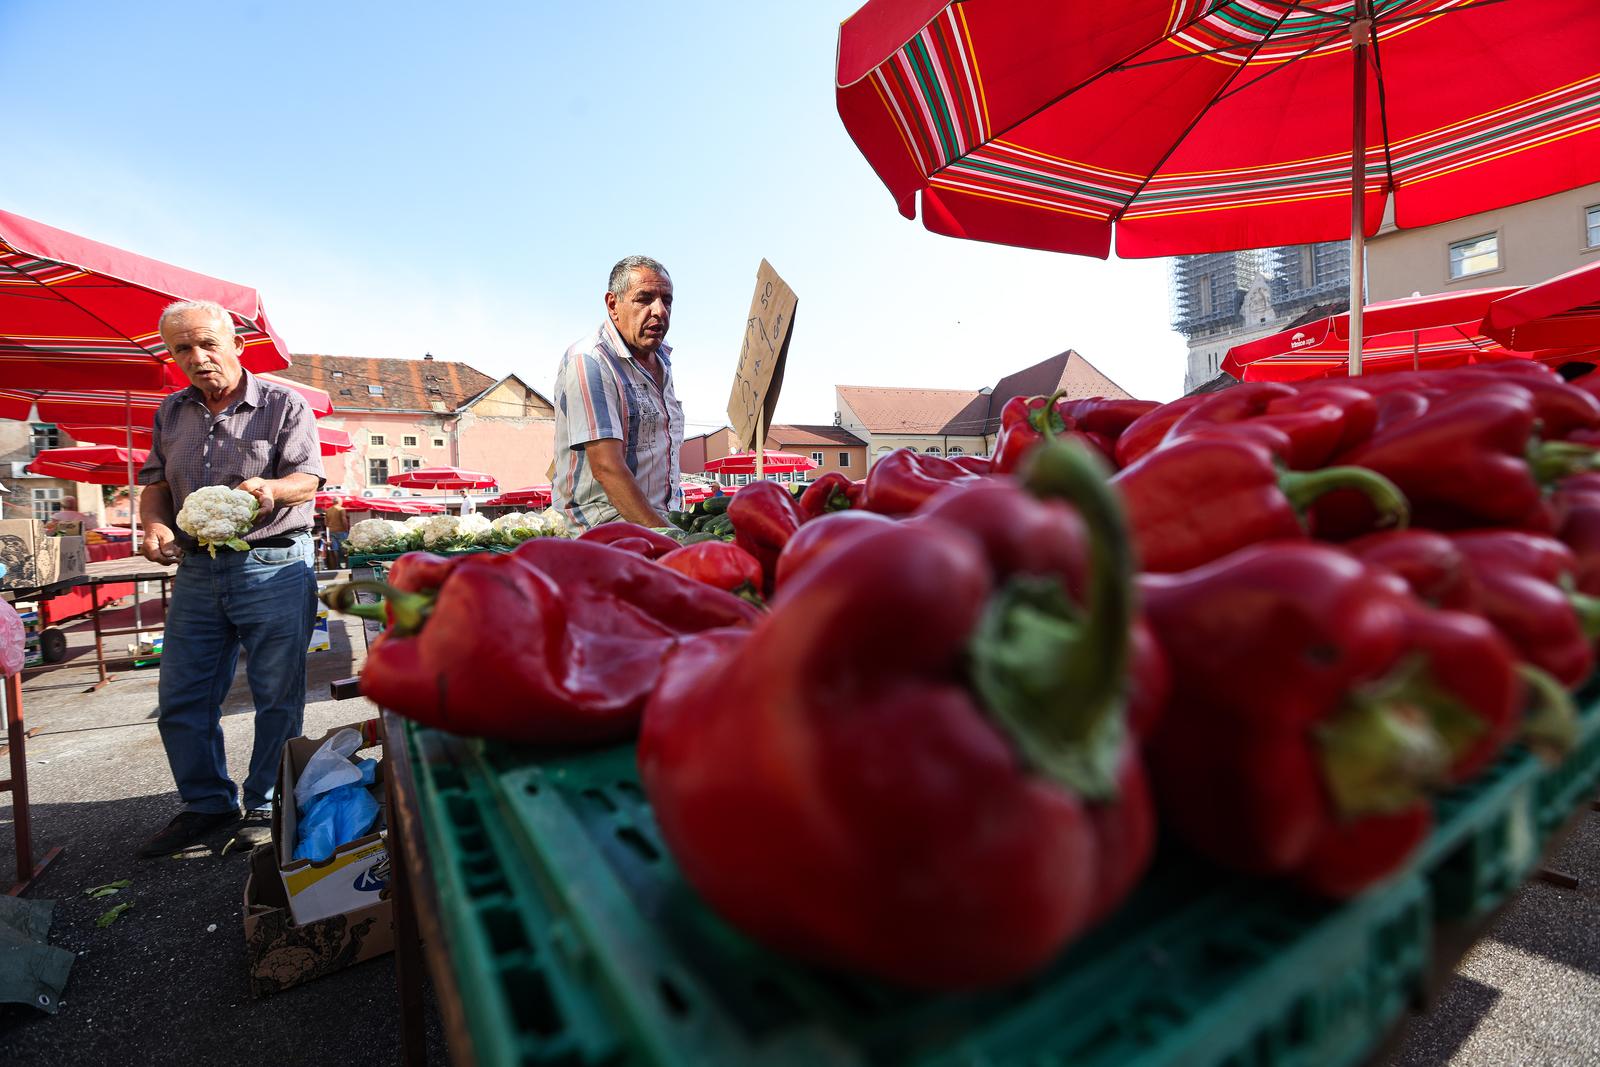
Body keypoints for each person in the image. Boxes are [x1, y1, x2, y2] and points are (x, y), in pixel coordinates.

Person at [135, 299, 325, 858]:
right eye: (182, 349)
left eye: (207, 344)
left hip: (273, 563)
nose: (198, 357)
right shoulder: (170, 413)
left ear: (236, 343)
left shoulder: (282, 404)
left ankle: (266, 804)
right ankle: (207, 803)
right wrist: (152, 527)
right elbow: (155, 486)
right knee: (184, 696)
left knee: (276, 694)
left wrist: (270, 489)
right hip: (196, 568)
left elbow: (309, 478)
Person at [553, 255, 685, 529]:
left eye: (667, 300)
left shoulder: (662, 360)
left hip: (661, 521)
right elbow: (607, 468)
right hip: (607, 528)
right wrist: (670, 539)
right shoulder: (589, 360)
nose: (659, 310)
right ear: (613, 305)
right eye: (644, 299)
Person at [323, 498, 349, 566]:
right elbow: (344, 520)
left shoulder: (328, 510)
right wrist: (346, 529)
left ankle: (336, 565)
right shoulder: (341, 509)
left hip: (331, 532)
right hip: (341, 531)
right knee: (345, 548)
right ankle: (347, 565)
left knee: (334, 549)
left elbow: (326, 523)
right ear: (339, 502)